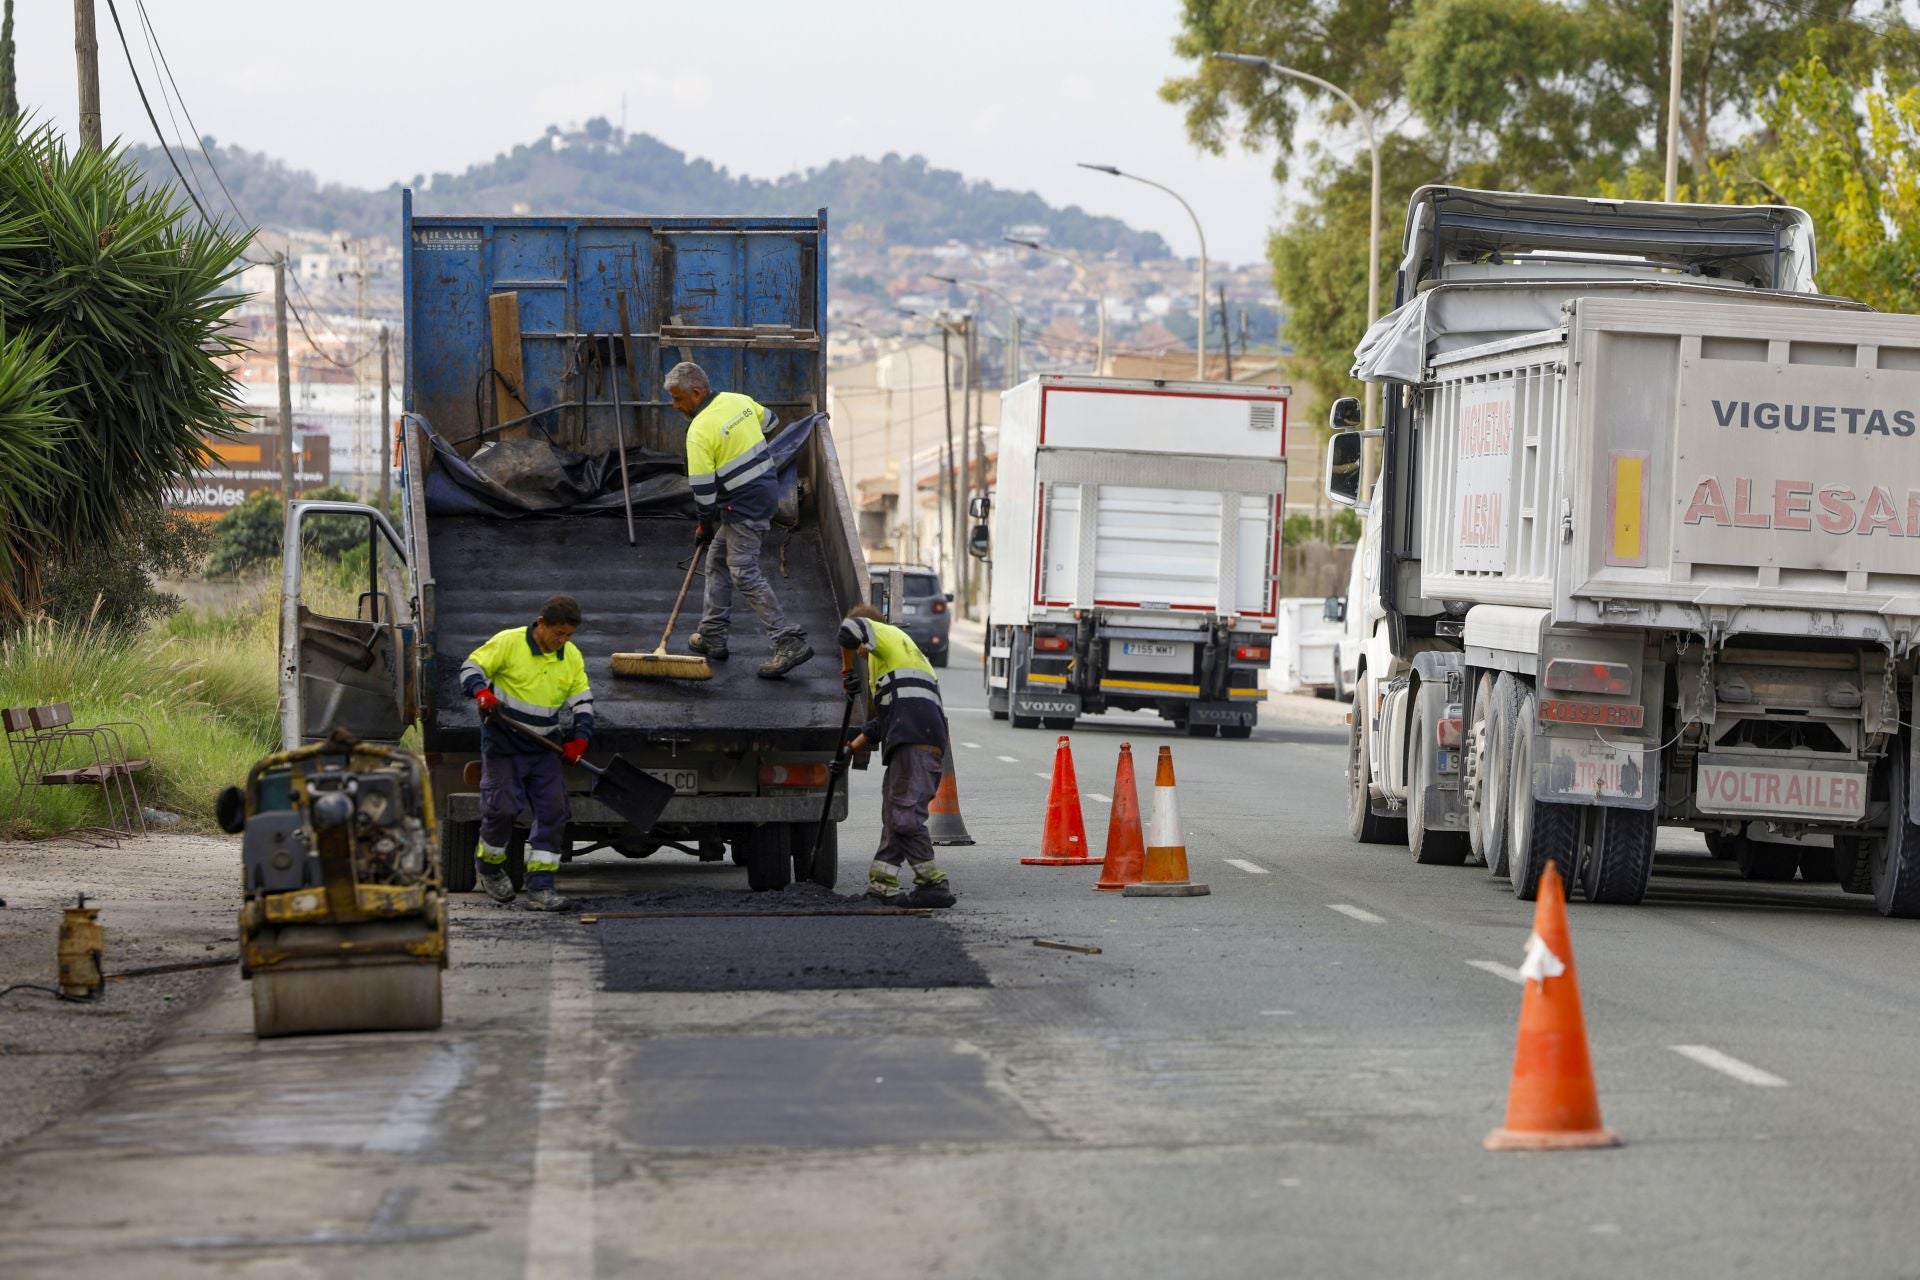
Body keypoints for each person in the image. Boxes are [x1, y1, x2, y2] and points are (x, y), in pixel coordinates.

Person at [664, 360, 813, 679]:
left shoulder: (699, 430)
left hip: (743, 505)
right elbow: (771, 421)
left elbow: (703, 493)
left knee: (743, 570)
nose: (675, 406)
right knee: (717, 559)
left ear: (696, 392)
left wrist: (704, 525)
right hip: (764, 490)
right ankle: (713, 636)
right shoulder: (740, 401)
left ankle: (787, 640)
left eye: (678, 399)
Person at [458, 594, 593, 911]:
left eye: (568, 635)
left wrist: (580, 740)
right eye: (558, 633)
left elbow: (583, 704)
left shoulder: (570, 656)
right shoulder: (509, 642)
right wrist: (481, 692)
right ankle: (489, 868)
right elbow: (469, 668)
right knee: (502, 809)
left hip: (544, 748)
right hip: (504, 744)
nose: (562, 640)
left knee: (554, 811)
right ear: (541, 623)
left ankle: (541, 888)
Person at [835, 605, 957, 908]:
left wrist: (847, 671)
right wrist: (849, 749)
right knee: (894, 815)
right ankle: (882, 885)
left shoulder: (889, 636)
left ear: (871, 635)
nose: (860, 653)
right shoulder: (898, 659)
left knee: (904, 816)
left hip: (916, 741)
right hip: (912, 739)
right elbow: (881, 723)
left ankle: (933, 883)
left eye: (862, 649)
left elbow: (847, 630)